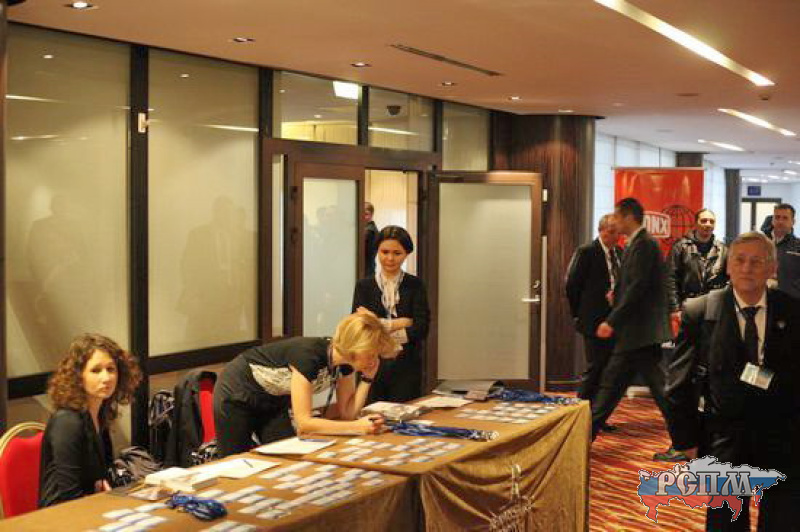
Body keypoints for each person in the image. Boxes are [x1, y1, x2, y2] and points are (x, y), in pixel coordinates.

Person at [667, 232, 800, 531]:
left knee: (785, 519)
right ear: (728, 266)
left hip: (783, 436)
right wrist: (685, 440)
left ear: (772, 268)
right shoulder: (701, 311)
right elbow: (678, 383)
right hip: (724, 437)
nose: (747, 268)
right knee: (726, 522)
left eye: (757, 261)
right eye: (739, 260)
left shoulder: (792, 311)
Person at [213, 313, 397, 457]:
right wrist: (357, 427)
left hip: (273, 396)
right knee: (235, 460)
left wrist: (367, 379)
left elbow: (347, 414)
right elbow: (304, 423)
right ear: (356, 349)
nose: (374, 360)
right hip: (238, 389)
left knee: (285, 454)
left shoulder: (346, 365)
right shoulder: (309, 356)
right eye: (372, 353)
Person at [590, 197, 675, 441]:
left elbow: (637, 288)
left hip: (639, 333)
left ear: (629, 217)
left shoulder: (644, 244)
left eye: (617, 217)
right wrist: (616, 296)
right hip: (637, 335)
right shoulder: (637, 243)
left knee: (614, 389)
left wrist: (611, 321)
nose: (615, 222)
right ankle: (686, 440)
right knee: (615, 389)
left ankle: (686, 441)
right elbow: (633, 285)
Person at [656, 208, 728, 461]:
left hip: (714, 317)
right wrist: (675, 309)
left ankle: (707, 442)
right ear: (696, 223)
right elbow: (670, 279)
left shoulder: (723, 249)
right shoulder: (681, 247)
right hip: (687, 314)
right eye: (703, 220)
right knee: (682, 380)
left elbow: (728, 282)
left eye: (711, 221)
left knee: (709, 379)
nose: (707, 224)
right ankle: (681, 442)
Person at [39, 333, 142, 507]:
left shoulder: (100, 413)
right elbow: (69, 494)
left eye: (111, 369)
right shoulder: (67, 421)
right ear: (78, 376)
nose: (106, 378)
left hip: (92, 505)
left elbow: (103, 478)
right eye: (96, 370)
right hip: (61, 514)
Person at [352, 225, 430, 403]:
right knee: (371, 414)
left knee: (405, 413)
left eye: (397, 253)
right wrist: (400, 323)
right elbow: (359, 326)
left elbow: (421, 328)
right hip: (371, 363)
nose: (390, 258)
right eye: (384, 252)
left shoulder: (415, 285)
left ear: (406, 254)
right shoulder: (364, 286)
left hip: (407, 365)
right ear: (377, 252)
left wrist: (376, 323)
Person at [565, 214, 622, 431]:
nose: (617, 236)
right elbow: (572, 285)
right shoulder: (587, 251)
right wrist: (578, 314)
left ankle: (597, 417)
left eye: (618, 232)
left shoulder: (619, 253)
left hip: (614, 321)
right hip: (592, 320)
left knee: (608, 370)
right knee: (595, 368)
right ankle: (579, 415)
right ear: (602, 230)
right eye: (613, 232)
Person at [771, 203, 800, 299]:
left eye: (785, 218)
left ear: (793, 222)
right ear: (772, 220)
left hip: (791, 300)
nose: (780, 221)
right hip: (763, 300)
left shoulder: (798, 246)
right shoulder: (761, 243)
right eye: (777, 217)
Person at [364, 202, 380, 277]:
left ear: (371, 215)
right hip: (368, 269)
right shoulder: (366, 229)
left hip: (366, 271)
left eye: (366, 214)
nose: (362, 216)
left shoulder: (369, 231)